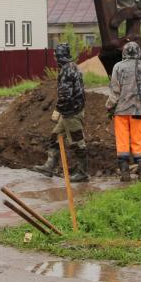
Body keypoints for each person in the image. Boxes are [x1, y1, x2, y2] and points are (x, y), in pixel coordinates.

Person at [33, 43, 89, 182]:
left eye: (56, 56)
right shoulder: (73, 66)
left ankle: (83, 173)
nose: (55, 59)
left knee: (78, 142)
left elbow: (65, 95)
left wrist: (58, 108)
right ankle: (49, 166)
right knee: (55, 137)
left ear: (59, 56)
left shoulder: (66, 70)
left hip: (72, 113)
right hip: (69, 112)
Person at [105, 41, 141, 181]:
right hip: (138, 111)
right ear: (138, 52)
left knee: (122, 141)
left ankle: (125, 174)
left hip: (121, 111)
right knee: (138, 140)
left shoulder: (118, 67)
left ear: (124, 53)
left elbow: (115, 91)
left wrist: (109, 106)